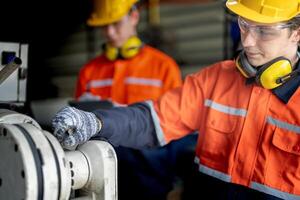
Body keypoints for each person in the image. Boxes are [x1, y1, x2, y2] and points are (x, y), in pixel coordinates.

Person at [52, 0, 300, 199]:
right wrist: (97, 122)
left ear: (296, 33)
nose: (247, 41)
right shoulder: (215, 80)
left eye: (264, 31)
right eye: (244, 25)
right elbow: (151, 120)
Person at [75, 0, 182, 104]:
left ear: (134, 17)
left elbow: (175, 117)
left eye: (116, 23)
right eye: (104, 25)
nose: (110, 32)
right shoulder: (88, 72)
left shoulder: (164, 67)